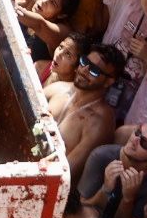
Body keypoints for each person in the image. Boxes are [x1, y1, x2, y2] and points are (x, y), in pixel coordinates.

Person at [44, 42, 123, 182]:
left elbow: (66, 174)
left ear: (109, 81)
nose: (84, 69)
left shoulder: (99, 122)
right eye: (84, 61)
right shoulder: (58, 89)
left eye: (94, 70)